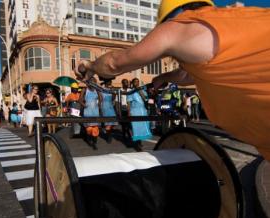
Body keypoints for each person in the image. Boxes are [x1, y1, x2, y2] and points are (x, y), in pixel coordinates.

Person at [75, 0, 270, 161]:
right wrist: (164, 77)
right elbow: (187, 75)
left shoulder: (184, 24)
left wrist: (90, 66)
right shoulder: (241, 21)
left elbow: (114, 64)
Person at [127, 78, 152, 151]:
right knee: (136, 127)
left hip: (142, 110)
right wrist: (129, 112)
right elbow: (128, 102)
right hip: (134, 111)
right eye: (135, 82)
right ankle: (137, 144)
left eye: (138, 82)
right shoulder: (131, 92)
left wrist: (140, 90)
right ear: (132, 83)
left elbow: (145, 99)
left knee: (142, 127)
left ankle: (139, 141)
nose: (136, 83)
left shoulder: (143, 91)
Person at [79, 78, 102, 150]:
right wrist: (84, 104)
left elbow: (101, 98)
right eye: (92, 82)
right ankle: (89, 139)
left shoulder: (97, 90)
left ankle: (94, 143)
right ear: (89, 83)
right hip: (87, 111)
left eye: (95, 82)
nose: (93, 83)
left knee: (95, 129)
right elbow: (80, 100)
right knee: (89, 129)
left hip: (95, 111)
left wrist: (99, 104)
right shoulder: (85, 90)